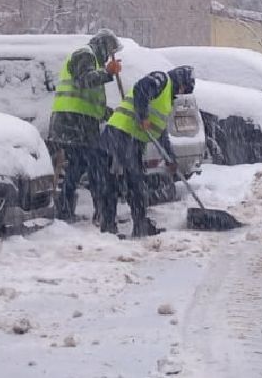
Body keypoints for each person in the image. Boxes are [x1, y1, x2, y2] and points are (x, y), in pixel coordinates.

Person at [96, 64, 195, 238]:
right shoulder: (161, 79)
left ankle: (129, 225)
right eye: (182, 88)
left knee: (128, 183)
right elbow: (140, 88)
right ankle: (118, 226)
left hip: (131, 140)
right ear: (180, 81)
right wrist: (143, 116)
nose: (180, 93)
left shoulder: (166, 102)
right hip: (120, 134)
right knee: (129, 182)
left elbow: (161, 133)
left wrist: (171, 159)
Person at [47, 30, 121, 222]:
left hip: (77, 122)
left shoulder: (92, 59)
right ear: (103, 46)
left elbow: (89, 100)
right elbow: (85, 81)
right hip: (73, 123)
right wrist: (108, 72)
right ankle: (102, 213)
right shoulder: (85, 54)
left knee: (78, 167)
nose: (109, 56)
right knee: (96, 166)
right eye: (110, 50)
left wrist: (109, 114)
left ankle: (65, 208)